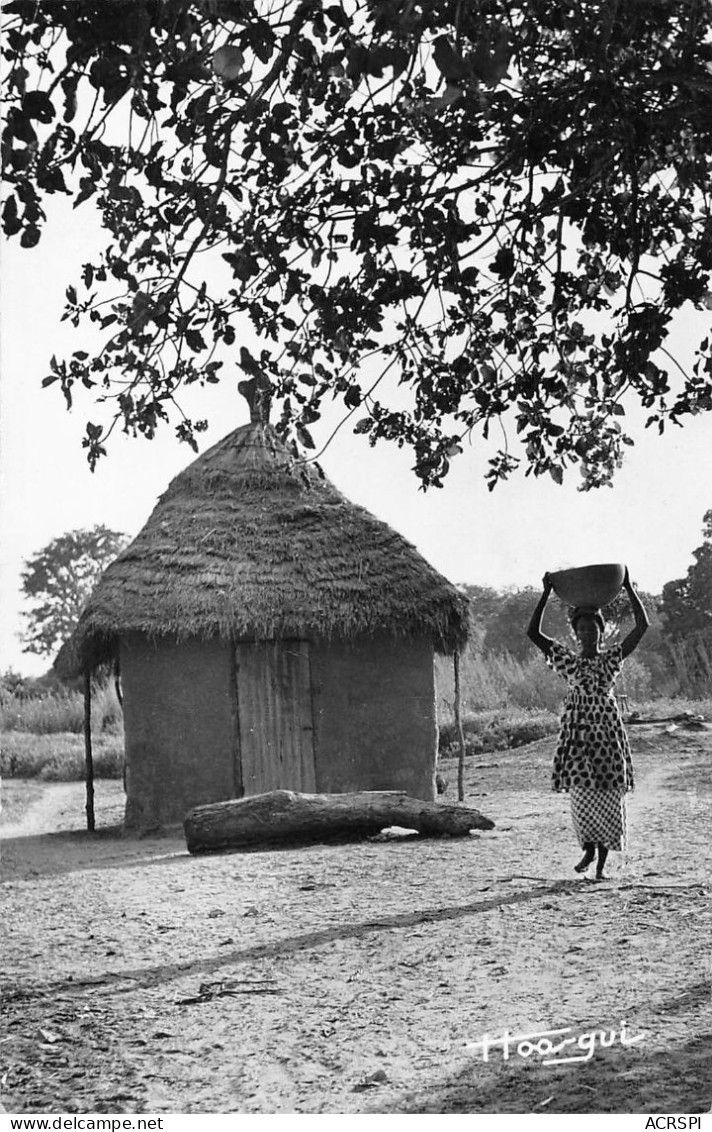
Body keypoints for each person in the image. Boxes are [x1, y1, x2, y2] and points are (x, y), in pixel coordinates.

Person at [527, 567, 649, 880]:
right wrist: (545, 594)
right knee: (582, 798)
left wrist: (628, 588)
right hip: (578, 736)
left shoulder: (611, 660)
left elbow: (641, 626)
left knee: (608, 796)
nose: (586, 634)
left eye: (591, 630)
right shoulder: (568, 660)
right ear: (575, 633)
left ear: (600, 631)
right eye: (581, 630)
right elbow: (533, 634)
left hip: (607, 734)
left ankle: (600, 867)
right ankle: (589, 849)